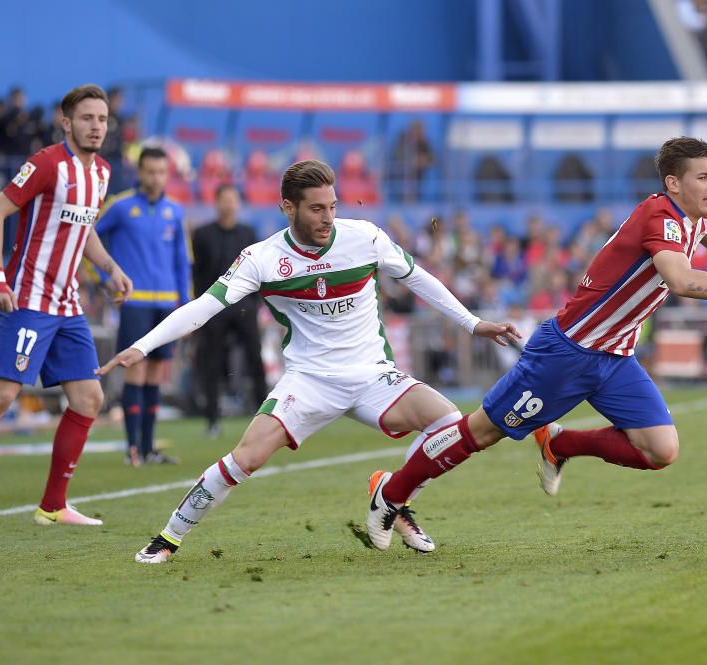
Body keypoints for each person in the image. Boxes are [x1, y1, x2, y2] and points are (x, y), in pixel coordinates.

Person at [365, 137, 707, 550]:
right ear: (673, 183)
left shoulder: (693, 214)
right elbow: (681, 280)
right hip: (568, 352)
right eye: (703, 177)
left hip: (615, 356)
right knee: (482, 432)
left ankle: (560, 445)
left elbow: (704, 227)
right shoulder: (659, 218)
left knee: (660, 450)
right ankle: (391, 492)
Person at [97, 160, 519, 563]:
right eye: (316, 208)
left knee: (451, 425)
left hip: (373, 375)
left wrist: (472, 322)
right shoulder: (262, 258)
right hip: (310, 381)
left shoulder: (365, 238)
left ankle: (393, 497)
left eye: (333, 206)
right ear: (288, 207)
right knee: (246, 457)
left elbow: (416, 277)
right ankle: (168, 537)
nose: (328, 217)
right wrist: (144, 345)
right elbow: (204, 306)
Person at [0, 84, 132, 529]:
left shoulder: (103, 173)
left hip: (67, 304)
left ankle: (53, 506)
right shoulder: (45, 163)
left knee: (89, 397)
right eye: (87, 118)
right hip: (29, 299)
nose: (96, 126)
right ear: (66, 122)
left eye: (102, 119)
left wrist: (109, 267)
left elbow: (84, 229)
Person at [97, 146, 189, 465]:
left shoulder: (175, 211)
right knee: (135, 373)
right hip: (135, 302)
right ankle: (131, 449)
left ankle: (149, 449)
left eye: (161, 172)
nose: (156, 178)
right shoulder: (120, 207)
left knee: (155, 376)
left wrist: (186, 306)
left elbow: (182, 261)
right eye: (150, 171)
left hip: (167, 305)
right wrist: (103, 277)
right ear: (139, 172)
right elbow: (87, 239)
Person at [190, 184, 266, 437]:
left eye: (233, 200)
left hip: (244, 307)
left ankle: (265, 418)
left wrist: (255, 304)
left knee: (256, 359)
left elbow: (258, 272)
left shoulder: (248, 233)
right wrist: (201, 307)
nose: (229, 204)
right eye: (224, 200)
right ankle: (212, 420)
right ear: (216, 203)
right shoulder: (202, 234)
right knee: (211, 362)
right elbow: (198, 273)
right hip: (214, 308)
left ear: (238, 203)